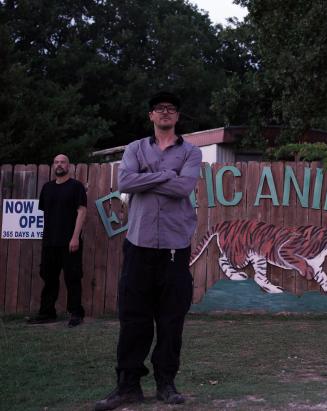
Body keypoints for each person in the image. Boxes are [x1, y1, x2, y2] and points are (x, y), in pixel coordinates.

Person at [95, 92, 202, 411]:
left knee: (171, 320)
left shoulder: (192, 152)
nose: (165, 113)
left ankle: (166, 384)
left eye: (171, 109)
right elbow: (125, 181)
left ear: (177, 117)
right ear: (151, 116)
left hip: (174, 248)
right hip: (138, 245)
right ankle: (127, 386)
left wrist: (147, 179)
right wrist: (166, 176)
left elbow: (184, 188)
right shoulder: (134, 148)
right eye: (160, 109)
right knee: (133, 319)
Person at [27, 154, 87, 327]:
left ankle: (76, 313)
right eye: (57, 162)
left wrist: (75, 237)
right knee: (48, 277)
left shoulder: (76, 187)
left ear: (69, 166)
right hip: (49, 242)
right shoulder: (47, 188)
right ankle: (47, 313)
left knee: (72, 278)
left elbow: (82, 211)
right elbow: (46, 213)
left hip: (70, 242)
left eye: (63, 162)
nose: (59, 165)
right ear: (53, 166)